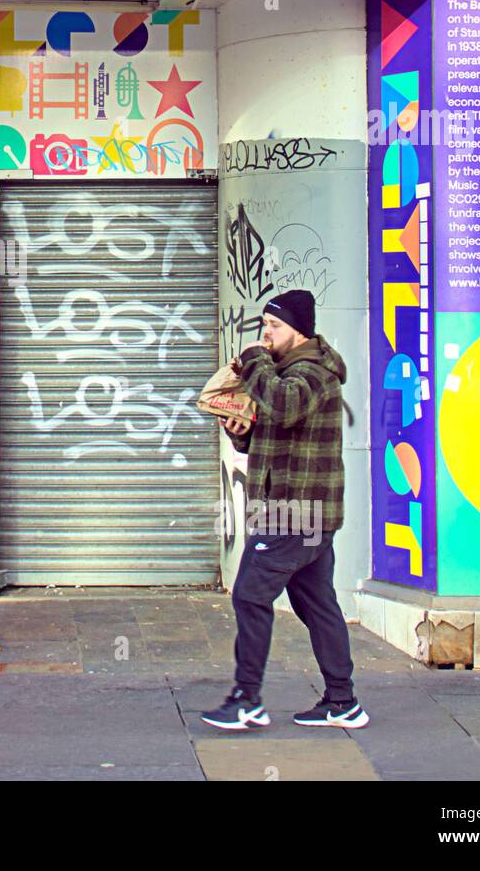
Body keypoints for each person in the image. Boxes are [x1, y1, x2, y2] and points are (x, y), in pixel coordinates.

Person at [200, 289, 368, 731]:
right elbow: (278, 432)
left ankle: (247, 700)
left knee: (250, 596)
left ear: (297, 330)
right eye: (263, 326)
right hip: (299, 511)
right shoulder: (288, 372)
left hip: (295, 514)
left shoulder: (314, 372)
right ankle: (342, 700)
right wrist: (242, 433)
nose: (265, 333)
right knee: (318, 606)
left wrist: (253, 361)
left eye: (273, 326)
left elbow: (283, 404)